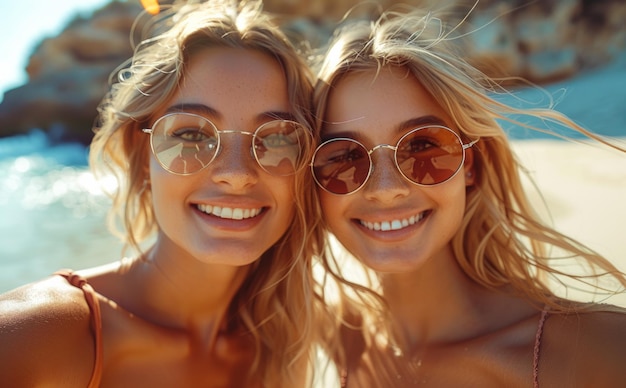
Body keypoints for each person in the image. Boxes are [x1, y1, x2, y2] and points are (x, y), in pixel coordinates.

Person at [0, 1, 322, 386]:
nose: (236, 174)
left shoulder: (287, 344)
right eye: (191, 135)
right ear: (142, 154)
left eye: (276, 138)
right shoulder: (37, 336)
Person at [310, 5, 626, 387]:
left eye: (423, 146)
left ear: (469, 165)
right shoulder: (334, 340)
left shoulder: (595, 351)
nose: (386, 188)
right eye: (344, 156)